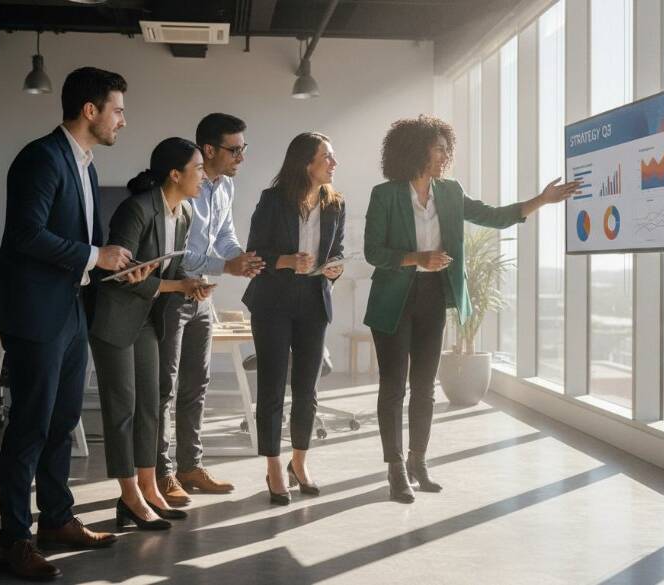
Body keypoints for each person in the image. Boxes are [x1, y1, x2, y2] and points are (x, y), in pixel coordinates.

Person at [363, 115, 581, 503]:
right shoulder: (386, 195)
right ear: (416, 150)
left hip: (433, 296)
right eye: (438, 148)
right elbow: (373, 252)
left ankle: (418, 462)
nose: (445, 155)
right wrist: (417, 258)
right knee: (393, 386)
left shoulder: (450, 192)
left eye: (446, 148)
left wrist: (541, 200)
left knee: (425, 387)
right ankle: (395, 469)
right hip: (392, 300)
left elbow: (493, 216)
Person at [0, 67, 131, 580]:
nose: (122, 121)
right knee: (30, 426)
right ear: (90, 110)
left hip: (71, 307)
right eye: (117, 110)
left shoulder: (85, 165)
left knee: (64, 421)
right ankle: (13, 542)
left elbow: (84, 245)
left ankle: (56, 519)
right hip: (35, 311)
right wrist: (94, 255)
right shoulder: (41, 158)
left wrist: (114, 265)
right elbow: (25, 235)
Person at [89, 138, 212, 530]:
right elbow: (115, 271)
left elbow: (171, 270)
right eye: (198, 168)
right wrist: (176, 285)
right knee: (122, 406)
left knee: (150, 403)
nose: (204, 176)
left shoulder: (185, 212)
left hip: (146, 317)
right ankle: (129, 495)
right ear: (175, 174)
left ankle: (149, 487)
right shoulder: (137, 209)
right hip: (114, 317)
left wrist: (191, 283)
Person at [155, 113, 265, 505]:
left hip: (202, 295)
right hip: (172, 292)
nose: (241, 157)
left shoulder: (224, 187)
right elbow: (178, 254)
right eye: (235, 150)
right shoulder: (184, 185)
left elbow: (224, 236)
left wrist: (240, 257)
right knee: (164, 387)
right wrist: (225, 266)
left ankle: (190, 466)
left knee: (197, 383)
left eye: (243, 149)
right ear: (209, 149)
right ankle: (162, 473)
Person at [243, 132, 345, 505]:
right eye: (327, 156)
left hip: (314, 302)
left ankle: (298, 462)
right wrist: (286, 261)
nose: (334, 163)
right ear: (306, 162)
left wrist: (335, 268)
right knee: (272, 387)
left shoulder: (335, 204)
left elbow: (338, 250)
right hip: (272, 302)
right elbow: (254, 253)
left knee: (307, 390)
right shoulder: (273, 200)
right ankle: (273, 466)